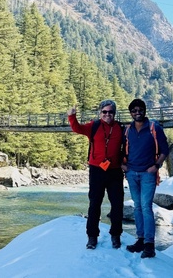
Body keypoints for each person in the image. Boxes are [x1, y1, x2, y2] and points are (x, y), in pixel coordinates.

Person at [67, 100, 124, 250]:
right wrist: (72, 116)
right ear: (100, 113)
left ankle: (116, 235)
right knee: (94, 204)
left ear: (114, 113)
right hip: (96, 170)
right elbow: (77, 128)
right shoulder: (94, 126)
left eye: (110, 112)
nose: (107, 114)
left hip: (115, 171)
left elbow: (129, 145)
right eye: (104, 112)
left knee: (117, 205)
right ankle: (92, 237)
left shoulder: (120, 128)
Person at [121, 98, 169, 258]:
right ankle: (140, 240)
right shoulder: (127, 130)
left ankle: (150, 245)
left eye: (140, 109)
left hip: (148, 173)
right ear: (131, 113)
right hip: (131, 173)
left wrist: (156, 166)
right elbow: (120, 150)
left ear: (144, 110)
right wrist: (123, 166)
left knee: (146, 207)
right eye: (134, 111)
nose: (137, 113)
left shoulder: (154, 128)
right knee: (137, 207)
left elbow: (164, 150)